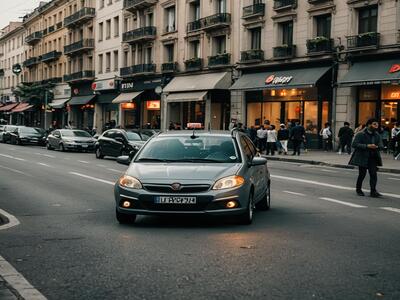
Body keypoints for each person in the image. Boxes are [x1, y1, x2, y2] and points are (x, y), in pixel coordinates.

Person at [349, 118, 383, 198]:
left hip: (373, 157)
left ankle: (373, 191)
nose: (376, 126)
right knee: (362, 174)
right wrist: (367, 146)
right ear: (369, 125)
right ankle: (358, 189)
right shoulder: (361, 134)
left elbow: (381, 145)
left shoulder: (377, 135)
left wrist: (377, 146)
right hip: (362, 157)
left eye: (377, 124)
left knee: (373, 174)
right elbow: (354, 144)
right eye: (374, 124)